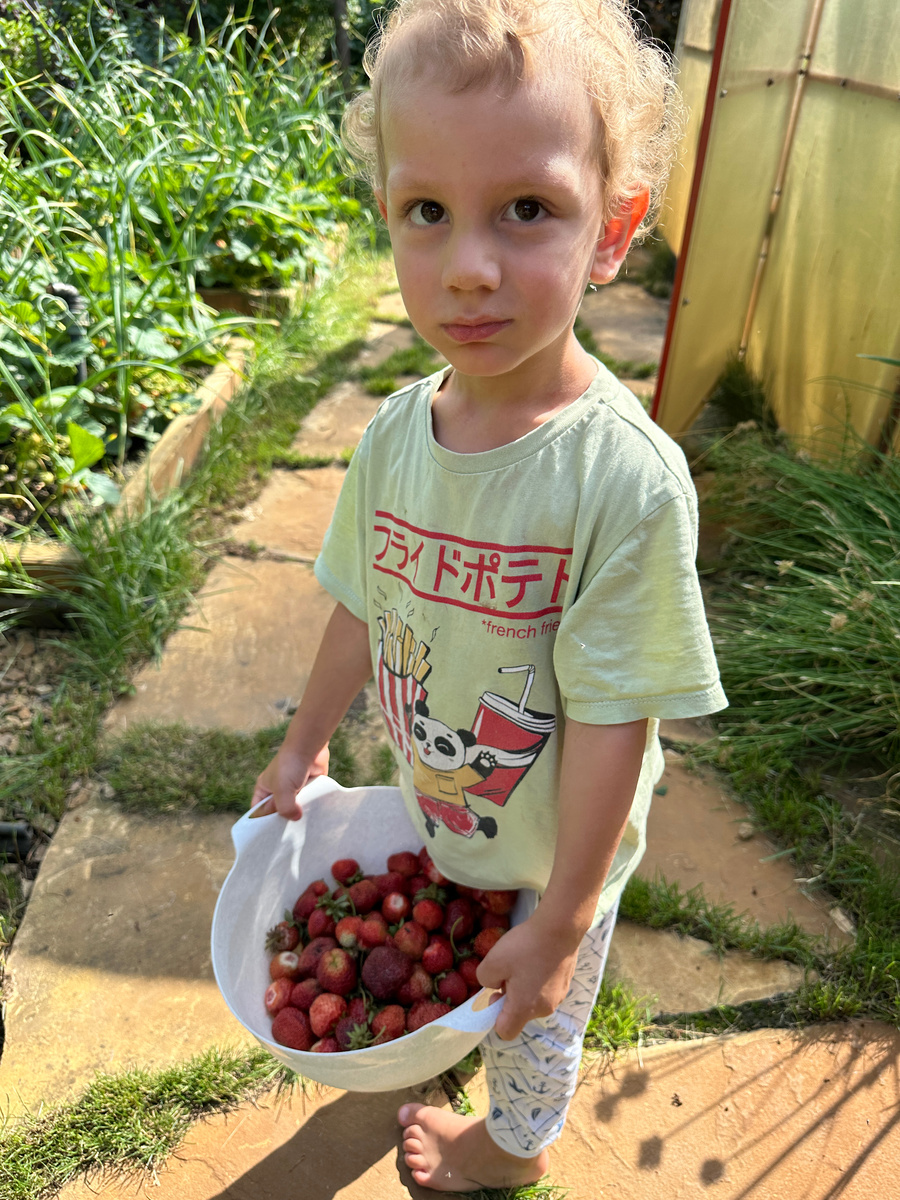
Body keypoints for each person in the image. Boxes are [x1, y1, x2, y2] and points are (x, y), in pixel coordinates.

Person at [251, 0, 727, 1190]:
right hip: (451, 815)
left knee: (532, 1023)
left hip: (560, 850)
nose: (469, 265)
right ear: (388, 222)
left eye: (528, 209)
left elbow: (620, 719)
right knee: (468, 967)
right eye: (428, 212)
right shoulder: (397, 437)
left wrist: (563, 918)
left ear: (612, 232)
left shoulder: (622, 481)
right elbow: (360, 602)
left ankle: (508, 1150)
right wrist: (305, 745)